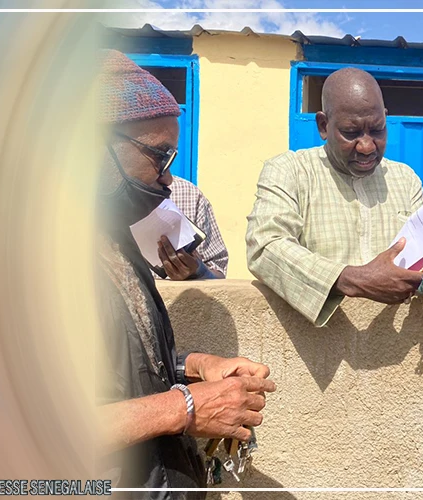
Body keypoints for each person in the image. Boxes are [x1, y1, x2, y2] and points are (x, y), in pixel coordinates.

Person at [94, 50, 276, 496]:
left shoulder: (114, 238)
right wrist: (186, 408)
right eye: (158, 157)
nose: (166, 179)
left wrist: (195, 367)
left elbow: (120, 369)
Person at [246, 67, 423, 326]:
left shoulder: (406, 180)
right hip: (317, 354)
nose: (366, 146)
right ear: (323, 125)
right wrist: (351, 280)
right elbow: (264, 247)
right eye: (350, 133)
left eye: (377, 130)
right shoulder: (290, 171)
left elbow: (419, 267)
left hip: (396, 350)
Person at [157, 175, 229, 280]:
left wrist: (199, 271)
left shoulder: (189, 195)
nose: (168, 180)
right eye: (158, 158)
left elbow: (219, 273)